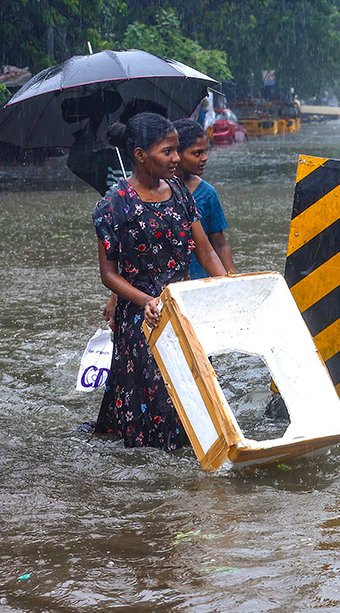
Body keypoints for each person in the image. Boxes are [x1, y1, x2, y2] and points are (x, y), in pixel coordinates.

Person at [91, 113, 228, 450]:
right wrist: (145, 301)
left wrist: (228, 286)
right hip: (142, 314)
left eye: (177, 150)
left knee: (193, 388)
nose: (177, 159)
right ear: (140, 155)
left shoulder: (181, 194)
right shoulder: (112, 206)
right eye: (168, 152)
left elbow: (206, 251)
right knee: (155, 393)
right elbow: (109, 274)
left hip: (183, 306)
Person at [172, 118, 237, 278]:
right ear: (176, 154)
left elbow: (220, 244)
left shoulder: (207, 193)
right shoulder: (154, 193)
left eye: (206, 151)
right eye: (197, 153)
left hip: (200, 281)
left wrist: (233, 279)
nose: (205, 158)